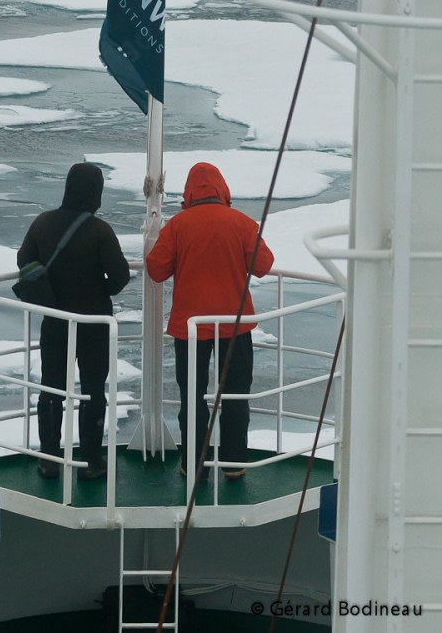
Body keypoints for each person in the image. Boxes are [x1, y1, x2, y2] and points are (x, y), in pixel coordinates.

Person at [145, 161, 274, 480]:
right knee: (234, 393)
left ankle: (194, 464)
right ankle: (233, 464)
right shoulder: (241, 223)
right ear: (222, 189)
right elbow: (264, 265)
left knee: (192, 396)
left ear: (190, 191)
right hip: (235, 325)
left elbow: (157, 269)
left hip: (190, 328)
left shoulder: (178, 225)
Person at [17, 162, 131, 480]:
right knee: (93, 390)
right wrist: (100, 291)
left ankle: (50, 459)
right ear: (96, 193)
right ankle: (92, 461)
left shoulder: (42, 223)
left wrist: (49, 293)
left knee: (51, 388)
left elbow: (24, 261)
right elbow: (120, 275)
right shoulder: (100, 231)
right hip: (94, 322)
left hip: (55, 319)